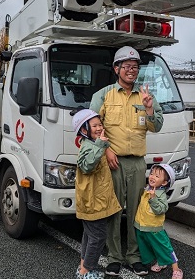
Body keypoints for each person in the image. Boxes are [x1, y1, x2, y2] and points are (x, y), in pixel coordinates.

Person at [89, 46, 164, 277]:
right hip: (111, 161)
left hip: (137, 163)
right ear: (116, 69)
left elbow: (157, 125)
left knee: (135, 211)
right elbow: (92, 128)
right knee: (112, 210)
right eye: (127, 66)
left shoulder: (145, 96)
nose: (132, 71)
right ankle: (113, 257)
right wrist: (107, 150)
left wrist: (149, 109)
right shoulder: (103, 95)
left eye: (135, 67)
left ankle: (133, 256)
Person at [73, 109, 122, 279]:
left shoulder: (95, 143)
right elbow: (86, 165)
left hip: (96, 200)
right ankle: (87, 270)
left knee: (89, 235)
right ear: (84, 130)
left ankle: (83, 267)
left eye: (100, 124)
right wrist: (101, 145)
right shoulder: (88, 146)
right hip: (93, 202)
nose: (99, 128)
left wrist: (103, 145)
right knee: (98, 237)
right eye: (94, 125)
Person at [134, 164, 183, 279]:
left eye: (157, 176)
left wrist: (153, 199)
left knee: (164, 247)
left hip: (154, 228)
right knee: (149, 246)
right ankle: (161, 262)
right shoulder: (147, 189)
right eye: (152, 174)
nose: (152, 177)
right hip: (142, 226)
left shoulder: (160, 195)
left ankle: (176, 270)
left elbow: (162, 209)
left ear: (164, 183)